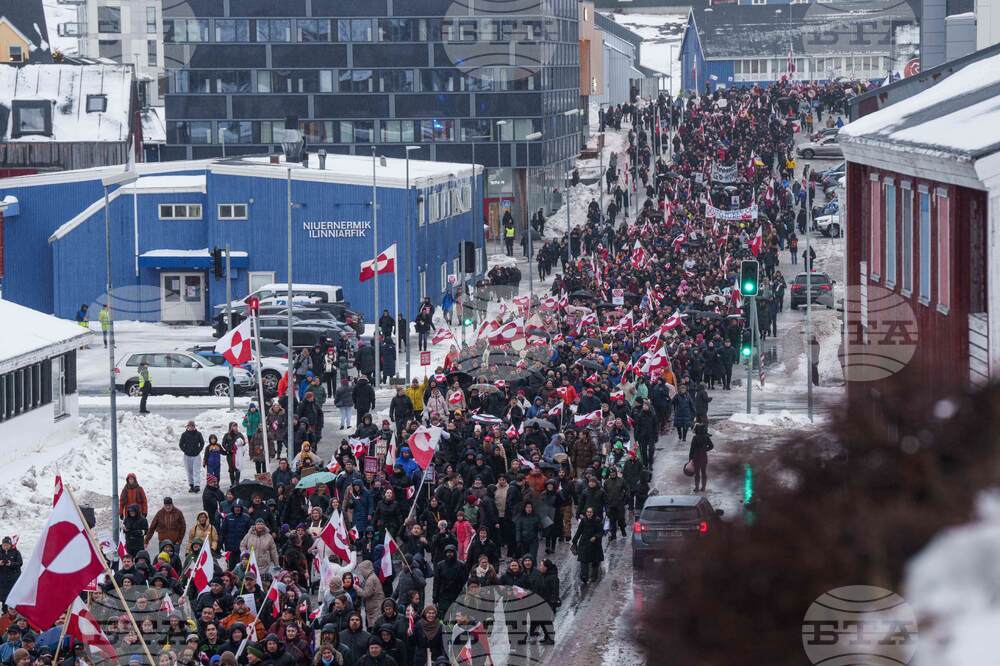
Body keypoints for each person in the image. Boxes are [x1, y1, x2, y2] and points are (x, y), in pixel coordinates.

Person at [571, 506, 604, 584]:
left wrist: (595, 537)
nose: (589, 514)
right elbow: (579, 531)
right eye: (588, 512)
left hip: (595, 544)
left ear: (593, 513)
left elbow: (601, 532)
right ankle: (584, 576)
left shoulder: (597, 521)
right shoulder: (583, 521)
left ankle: (594, 576)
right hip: (584, 543)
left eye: (590, 512)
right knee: (583, 560)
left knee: (595, 561)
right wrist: (574, 541)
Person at [179, 421, 205, 494]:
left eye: (192, 426)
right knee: (189, 471)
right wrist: (185, 450)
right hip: (187, 455)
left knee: (196, 470)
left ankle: (197, 485)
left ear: (194, 426)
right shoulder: (184, 434)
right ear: (187, 427)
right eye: (189, 426)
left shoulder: (198, 434)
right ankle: (191, 485)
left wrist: (198, 450)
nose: (191, 427)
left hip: (196, 455)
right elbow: (181, 444)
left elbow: (202, 443)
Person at [688, 423, 714, 492]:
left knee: (697, 474)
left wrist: (690, 459)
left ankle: (696, 488)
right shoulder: (706, 437)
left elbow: (692, 449)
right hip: (704, 457)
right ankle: (703, 488)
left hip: (696, 457)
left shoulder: (695, 438)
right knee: (704, 472)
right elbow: (711, 446)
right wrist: (705, 449)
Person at [0, 537, 22, 609]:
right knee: (4, 597)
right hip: (2, 580)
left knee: (14, 596)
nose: (5, 547)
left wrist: (11, 564)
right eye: (4, 545)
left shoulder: (16, 552)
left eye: (7, 545)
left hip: (13, 579)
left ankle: (14, 612)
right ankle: (4, 612)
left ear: (10, 545)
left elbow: (20, 563)